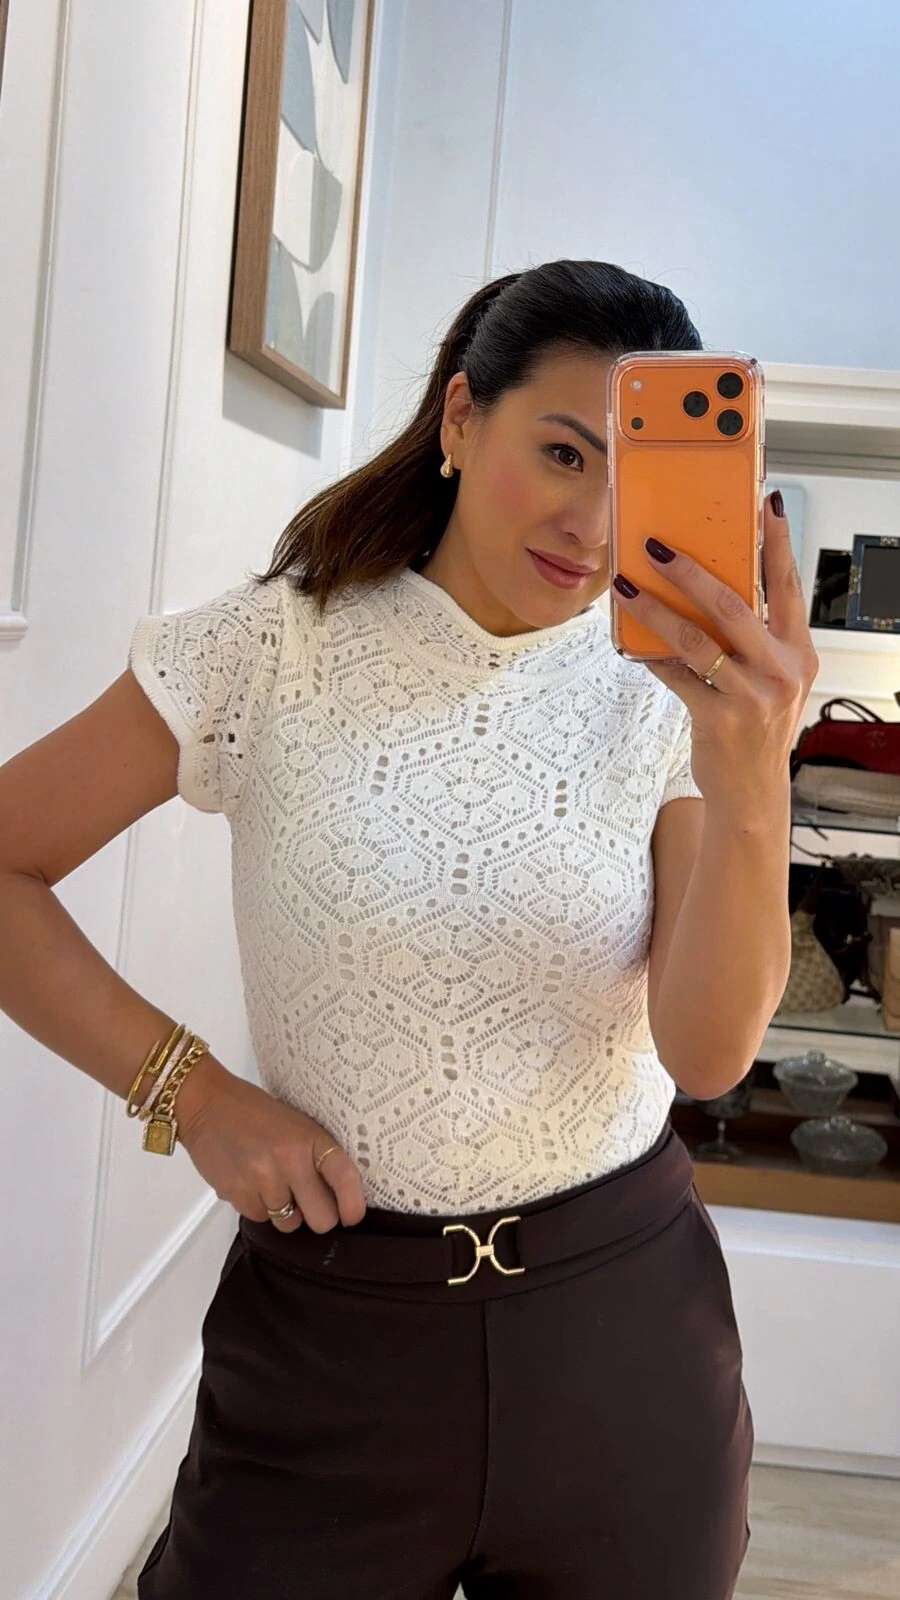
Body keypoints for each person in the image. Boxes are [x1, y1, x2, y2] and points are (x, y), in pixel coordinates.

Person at [0, 260, 817, 1599]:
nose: (594, 526)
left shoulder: (671, 694)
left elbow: (709, 1052)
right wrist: (189, 1091)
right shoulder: (266, 652)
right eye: (564, 453)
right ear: (460, 418)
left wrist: (752, 779)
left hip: (618, 1340)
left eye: (637, 482)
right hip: (331, 1343)